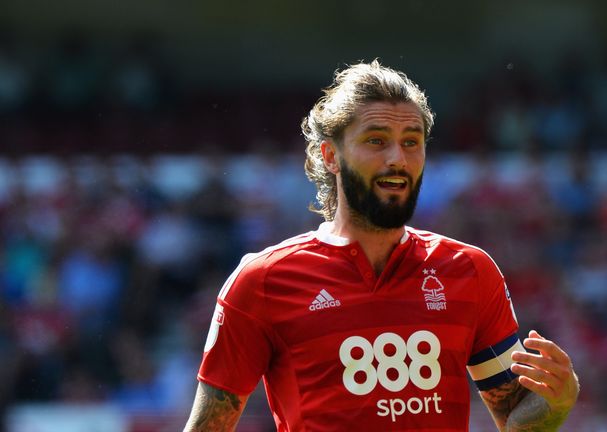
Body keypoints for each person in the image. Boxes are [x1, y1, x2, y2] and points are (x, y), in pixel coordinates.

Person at [184, 60, 579, 431]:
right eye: (377, 140)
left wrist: (557, 402)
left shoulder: (470, 270)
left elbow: (512, 415)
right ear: (330, 155)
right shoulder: (263, 280)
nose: (398, 158)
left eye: (412, 141)